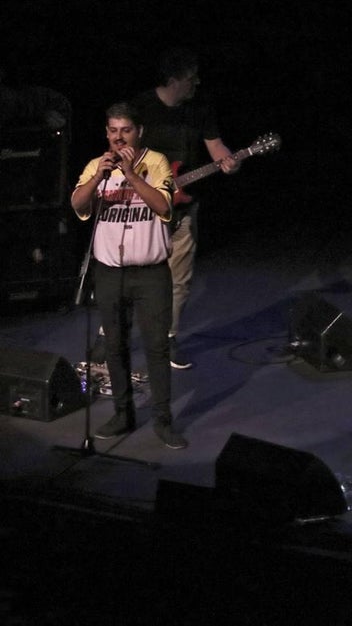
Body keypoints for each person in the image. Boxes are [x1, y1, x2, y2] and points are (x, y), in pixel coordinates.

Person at [70, 102, 186, 449]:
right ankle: (123, 414)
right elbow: (78, 205)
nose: (119, 138)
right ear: (107, 134)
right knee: (116, 347)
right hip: (109, 272)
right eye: (113, 131)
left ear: (139, 132)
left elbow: (164, 206)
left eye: (126, 130)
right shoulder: (96, 166)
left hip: (150, 274)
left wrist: (132, 174)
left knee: (156, 347)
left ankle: (163, 420)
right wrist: (98, 177)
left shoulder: (157, 162)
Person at [127, 47, 240, 369]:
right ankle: (111, 334)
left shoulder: (200, 108)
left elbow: (216, 146)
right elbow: (125, 155)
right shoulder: (141, 108)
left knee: (179, 278)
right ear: (174, 79)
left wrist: (228, 161)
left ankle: (169, 338)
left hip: (186, 206)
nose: (197, 83)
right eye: (191, 78)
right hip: (146, 205)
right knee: (136, 275)